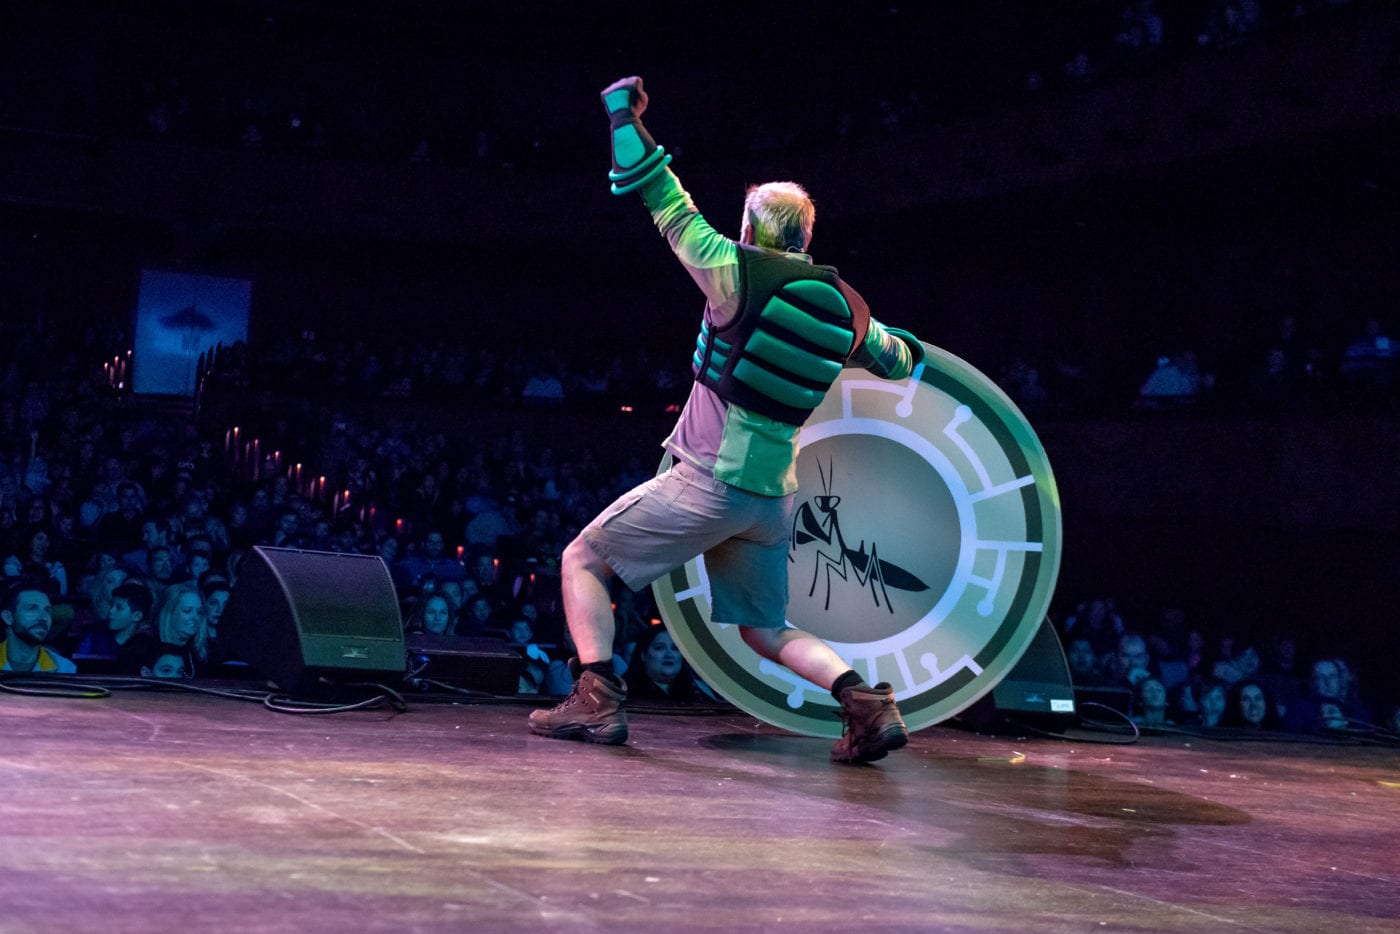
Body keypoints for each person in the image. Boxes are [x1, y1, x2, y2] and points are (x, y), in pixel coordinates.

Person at [529, 77, 924, 764]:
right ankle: (866, 704)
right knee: (764, 629)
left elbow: (660, 192)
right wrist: (886, 343)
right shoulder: (847, 310)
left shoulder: (731, 272)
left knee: (583, 560)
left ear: (749, 232)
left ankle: (595, 700)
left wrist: (622, 112)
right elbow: (902, 360)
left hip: (709, 483)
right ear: (807, 237)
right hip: (773, 501)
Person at [0, 582, 76, 673]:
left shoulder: (64, 669)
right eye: (32, 608)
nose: (44, 618)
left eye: (47, 610)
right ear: (8, 617)